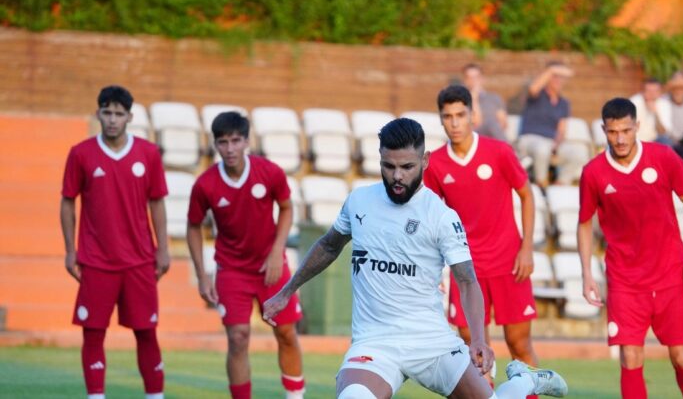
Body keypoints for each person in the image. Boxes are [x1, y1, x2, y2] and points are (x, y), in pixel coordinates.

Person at [263, 118, 567, 399]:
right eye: (388, 166)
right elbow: (329, 246)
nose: (397, 176)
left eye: (407, 166)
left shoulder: (441, 217)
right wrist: (286, 291)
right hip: (375, 342)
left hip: (431, 342)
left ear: (425, 160)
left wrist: (477, 338)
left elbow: (466, 280)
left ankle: (525, 379)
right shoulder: (359, 201)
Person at [577, 98, 683, 399]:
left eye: (625, 130)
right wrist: (586, 273)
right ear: (603, 130)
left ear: (637, 126)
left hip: (670, 274)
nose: (620, 139)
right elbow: (584, 224)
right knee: (630, 358)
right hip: (625, 280)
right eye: (612, 132)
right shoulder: (593, 172)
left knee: (681, 357)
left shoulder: (664, 157)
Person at [424, 85, 540, 391]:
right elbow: (430, 219)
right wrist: (433, 267)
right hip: (465, 270)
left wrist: (526, 248)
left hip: (508, 262)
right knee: (470, 346)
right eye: (447, 116)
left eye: (460, 115)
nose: (455, 122)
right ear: (441, 120)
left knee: (519, 344)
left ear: (472, 116)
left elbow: (527, 196)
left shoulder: (499, 151)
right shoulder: (434, 164)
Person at [186, 112, 305, 399]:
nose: (230, 149)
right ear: (215, 144)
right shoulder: (205, 185)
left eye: (236, 141)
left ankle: (295, 396)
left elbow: (287, 208)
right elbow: (193, 226)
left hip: (271, 267)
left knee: (286, 333)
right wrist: (203, 276)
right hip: (231, 270)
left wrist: (277, 251)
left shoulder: (269, 172)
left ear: (247, 141)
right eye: (223, 142)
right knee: (238, 339)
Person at [60, 85, 169, 399]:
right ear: (98, 114)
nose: (112, 119)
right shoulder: (80, 153)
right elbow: (68, 201)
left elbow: (157, 202)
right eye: (106, 112)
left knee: (146, 332)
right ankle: (96, 396)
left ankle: (155, 396)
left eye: (118, 114)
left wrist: (162, 248)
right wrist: (70, 250)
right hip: (96, 261)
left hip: (139, 260)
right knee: (93, 333)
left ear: (129, 117)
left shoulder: (148, 153)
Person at [517, 61, 587, 187]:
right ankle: (541, 184)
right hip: (530, 140)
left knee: (580, 153)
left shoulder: (564, 103)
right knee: (542, 148)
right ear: (547, 77)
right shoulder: (536, 95)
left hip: (550, 143)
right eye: (555, 76)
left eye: (561, 77)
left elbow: (561, 130)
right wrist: (552, 70)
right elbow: (534, 88)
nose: (558, 80)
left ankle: (560, 185)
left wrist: (556, 145)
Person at [462, 63, 508, 141]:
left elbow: (503, 124)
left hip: (494, 136)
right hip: (474, 137)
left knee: (492, 125)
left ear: (482, 79)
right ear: (465, 81)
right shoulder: (462, 101)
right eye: (469, 78)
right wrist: (474, 98)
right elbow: (476, 123)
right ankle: (509, 150)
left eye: (476, 77)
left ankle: (506, 150)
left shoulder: (494, 98)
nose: (473, 81)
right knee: (491, 124)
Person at [629, 78, 672, 144]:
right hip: (636, 142)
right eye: (649, 91)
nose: (652, 94)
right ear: (642, 92)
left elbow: (663, 132)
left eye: (655, 91)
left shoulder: (664, 104)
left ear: (660, 92)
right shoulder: (634, 102)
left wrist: (655, 114)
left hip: (654, 142)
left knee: (665, 140)